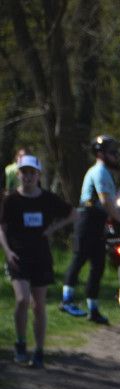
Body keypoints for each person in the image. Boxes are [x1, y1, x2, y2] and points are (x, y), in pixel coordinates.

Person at [0, 155, 73, 368]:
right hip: (18, 257)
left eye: (32, 173)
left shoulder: (48, 199)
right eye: (24, 172)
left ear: (38, 175)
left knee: (39, 305)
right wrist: (7, 251)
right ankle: (20, 343)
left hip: (41, 256)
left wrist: (52, 229)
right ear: (18, 175)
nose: (28, 177)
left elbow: (73, 214)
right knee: (22, 300)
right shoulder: (11, 200)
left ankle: (39, 350)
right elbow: (1, 228)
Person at [60, 135, 120, 323]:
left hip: (97, 220)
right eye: (112, 152)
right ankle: (66, 300)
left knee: (98, 265)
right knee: (79, 258)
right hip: (88, 218)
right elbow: (104, 200)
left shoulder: (106, 172)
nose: (116, 155)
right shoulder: (99, 171)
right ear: (100, 154)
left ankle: (93, 309)